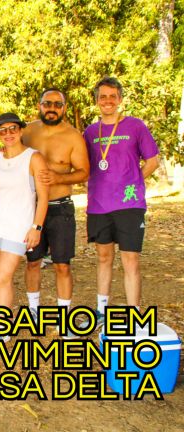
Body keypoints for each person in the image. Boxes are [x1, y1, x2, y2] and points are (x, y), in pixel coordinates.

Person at [81, 77, 160, 328]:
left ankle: (134, 316)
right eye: (103, 96)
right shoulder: (90, 132)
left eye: (112, 96)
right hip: (99, 205)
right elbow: (85, 165)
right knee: (103, 257)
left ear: (120, 99)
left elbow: (153, 161)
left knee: (130, 259)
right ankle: (102, 310)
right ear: (96, 101)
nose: (108, 101)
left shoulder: (136, 126)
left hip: (129, 205)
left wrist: (134, 182)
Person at [21, 89, 89, 337]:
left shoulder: (73, 137)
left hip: (60, 208)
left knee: (62, 265)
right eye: (47, 103)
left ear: (64, 107)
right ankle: (33, 312)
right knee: (32, 263)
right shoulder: (27, 132)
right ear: (39, 105)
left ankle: (64, 320)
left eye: (57, 104)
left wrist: (59, 176)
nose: (52, 108)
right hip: (30, 208)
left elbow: (84, 172)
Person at [0, 113, 49, 342]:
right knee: (0, 277)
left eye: (12, 129)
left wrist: (37, 228)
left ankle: (0, 330)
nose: (8, 134)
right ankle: (6, 320)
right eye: (2, 130)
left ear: (21, 130)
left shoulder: (34, 158)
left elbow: (43, 197)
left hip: (19, 225)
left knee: (3, 276)